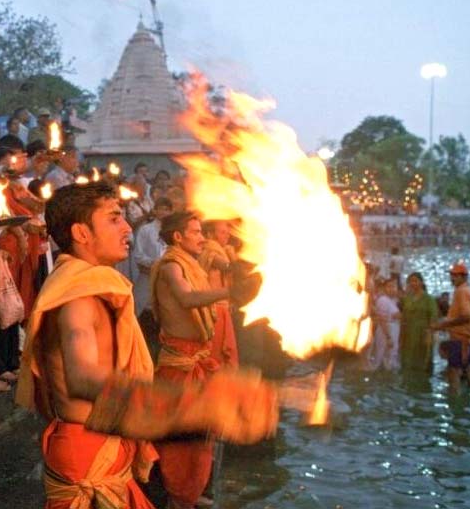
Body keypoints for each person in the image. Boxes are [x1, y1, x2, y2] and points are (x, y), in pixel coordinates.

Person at [16, 183, 284, 509]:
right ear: (81, 233)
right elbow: (83, 378)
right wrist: (195, 401)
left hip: (102, 450)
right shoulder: (79, 300)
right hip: (87, 458)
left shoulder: (88, 286)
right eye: (114, 219)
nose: (128, 227)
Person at [150, 211, 262, 509]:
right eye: (196, 232)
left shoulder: (190, 263)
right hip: (180, 366)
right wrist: (230, 291)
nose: (204, 237)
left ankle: (189, 492)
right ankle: (180, 497)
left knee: (200, 439)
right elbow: (186, 298)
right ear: (178, 237)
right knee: (183, 445)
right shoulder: (172, 265)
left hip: (197, 359)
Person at [199, 220, 240, 369]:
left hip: (223, 306)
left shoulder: (223, 250)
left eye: (227, 232)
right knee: (215, 353)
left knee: (223, 354)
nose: (227, 235)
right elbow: (228, 267)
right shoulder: (209, 249)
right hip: (213, 308)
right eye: (222, 232)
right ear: (210, 234)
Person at [431, 262, 470, 391]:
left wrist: (442, 325)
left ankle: (454, 401)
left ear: (464, 277)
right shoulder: (467, 290)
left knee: (454, 371)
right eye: (451, 275)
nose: (452, 278)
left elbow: (466, 316)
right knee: (467, 368)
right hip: (465, 337)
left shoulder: (461, 292)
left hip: (459, 338)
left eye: (456, 276)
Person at [133, 197, 173, 316]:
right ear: (154, 211)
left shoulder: (174, 231)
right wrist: (154, 264)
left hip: (168, 277)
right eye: (160, 209)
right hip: (147, 275)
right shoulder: (146, 229)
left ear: (171, 212)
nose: (163, 212)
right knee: (141, 308)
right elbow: (138, 255)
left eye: (166, 209)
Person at [399, 272, 439, 373]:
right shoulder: (406, 298)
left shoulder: (429, 299)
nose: (413, 283)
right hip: (408, 333)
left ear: (421, 282)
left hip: (423, 333)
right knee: (408, 359)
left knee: (423, 360)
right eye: (411, 281)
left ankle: (423, 384)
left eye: (415, 281)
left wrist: (430, 333)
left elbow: (433, 316)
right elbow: (403, 316)